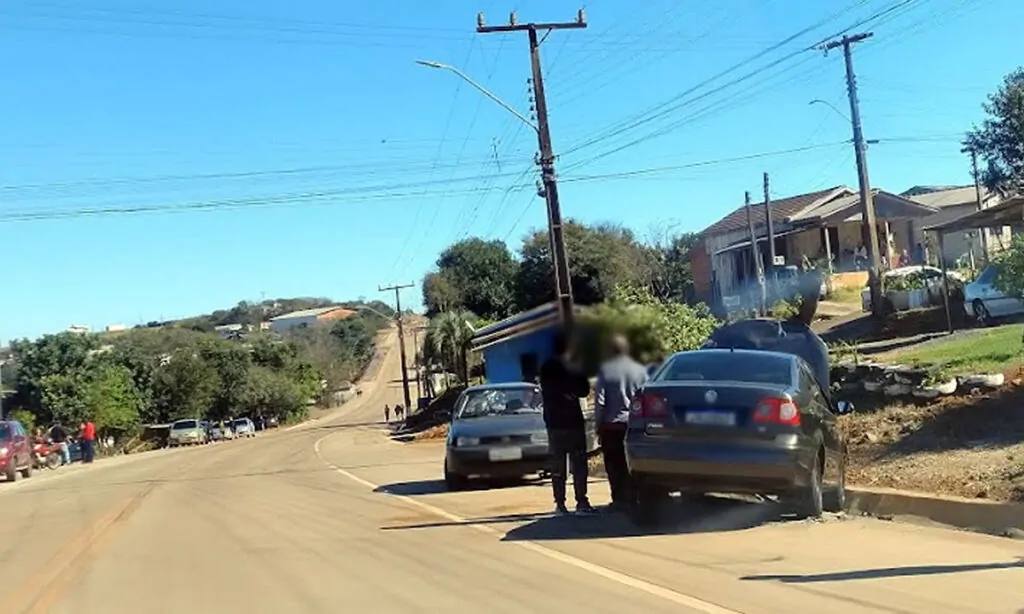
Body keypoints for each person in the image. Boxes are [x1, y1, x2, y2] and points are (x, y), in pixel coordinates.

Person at [539, 328, 596, 516]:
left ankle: (560, 504)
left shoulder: (546, 367)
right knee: (578, 463)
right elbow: (584, 391)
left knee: (558, 465)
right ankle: (581, 501)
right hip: (572, 421)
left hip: (554, 423)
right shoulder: (574, 365)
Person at [594, 334, 649, 512]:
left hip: (612, 426)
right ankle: (635, 497)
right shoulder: (640, 370)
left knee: (614, 464)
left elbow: (600, 401)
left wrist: (598, 424)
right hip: (634, 425)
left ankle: (619, 500)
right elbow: (646, 396)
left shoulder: (605, 370)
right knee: (632, 464)